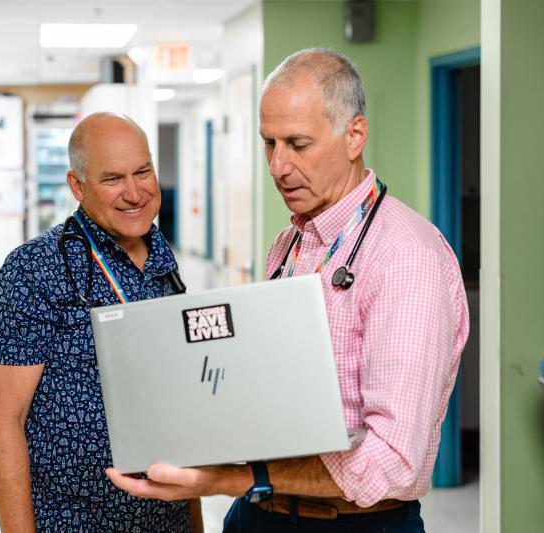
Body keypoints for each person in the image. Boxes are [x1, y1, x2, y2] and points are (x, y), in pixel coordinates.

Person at [107, 48, 470, 532]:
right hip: (261, 512)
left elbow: (393, 460)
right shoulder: (293, 241)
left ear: (354, 135)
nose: (278, 166)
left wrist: (233, 478)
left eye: (298, 144)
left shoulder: (405, 256)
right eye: (269, 143)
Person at [0, 112, 201, 532]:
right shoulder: (35, 270)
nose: (135, 193)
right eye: (113, 179)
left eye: (143, 172)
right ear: (77, 186)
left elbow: (178, 414)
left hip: (164, 518)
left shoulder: (163, 261)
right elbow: (1, 420)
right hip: (73, 520)